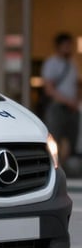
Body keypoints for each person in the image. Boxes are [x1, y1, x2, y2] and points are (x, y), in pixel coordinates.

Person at [42, 32, 80, 165]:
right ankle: (55, 166)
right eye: (66, 45)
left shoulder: (72, 63)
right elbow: (49, 89)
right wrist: (68, 101)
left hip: (72, 109)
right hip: (57, 107)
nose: (69, 48)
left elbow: (76, 85)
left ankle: (68, 166)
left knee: (73, 140)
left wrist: (76, 101)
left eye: (70, 45)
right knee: (54, 138)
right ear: (59, 46)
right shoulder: (51, 63)